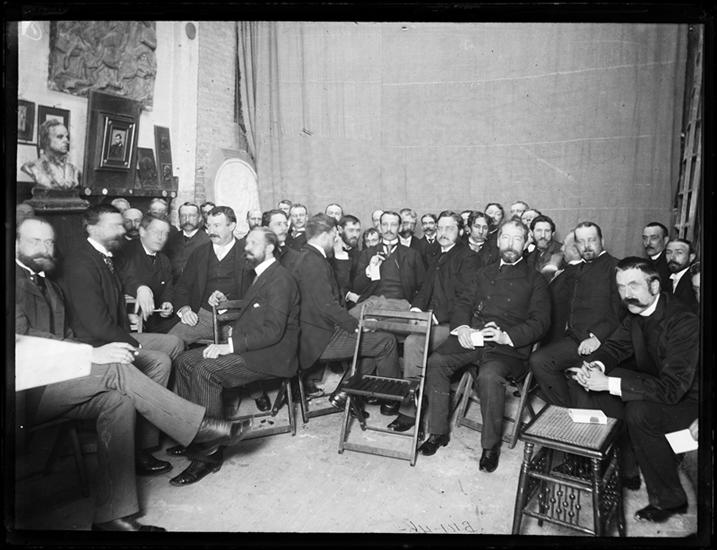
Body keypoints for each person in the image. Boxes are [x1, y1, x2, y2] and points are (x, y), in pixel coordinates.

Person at [15, 217, 250, 531]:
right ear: (15, 243)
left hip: (60, 375)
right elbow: (21, 346)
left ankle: (113, 516)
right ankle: (198, 428)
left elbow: (67, 332)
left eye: (49, 242)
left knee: (119, 402)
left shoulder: (45, 281)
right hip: (27, 389)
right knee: (118, 367)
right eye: (35, 241)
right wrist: (90, 354)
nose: (44, 248)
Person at [566, 257, 698, 523]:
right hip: (655, 381)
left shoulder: (683, 321)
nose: (627, 294)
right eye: (621, 286)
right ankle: (615, 466)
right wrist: (595, 367)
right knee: (585, 381)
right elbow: (614, 348)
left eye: (634, 285)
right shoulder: (637, 311)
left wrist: (608, 383)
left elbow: (672, 389)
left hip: (688, 399)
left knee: (639, 411)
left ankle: (670, 500)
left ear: (655, 286)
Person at [56, 205, 185, 468]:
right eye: (114, 225)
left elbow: (124, 289)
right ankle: (148, 439)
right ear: (91, 228)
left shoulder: (106, 255)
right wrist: (134, 341)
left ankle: (147, 439)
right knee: (159, 361)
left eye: (121, 224)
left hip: (117, 332)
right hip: (96, 342)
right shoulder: (82, 262)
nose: (121, 230)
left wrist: (138, 304)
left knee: (173, 343)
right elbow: (97, 324)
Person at [169, 227, 300, 486]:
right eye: (246, 242)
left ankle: (209, 454)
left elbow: (273, 332)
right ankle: (193, 434)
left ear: (270, 247)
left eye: (253, 243)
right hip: (256, 347)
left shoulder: (280, 279)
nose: (246, 247)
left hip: (273, 355)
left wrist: (229, 345)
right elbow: (254, 314)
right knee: (184, 361)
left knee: (206, 371)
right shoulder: (261, 274)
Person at [419, 219, 550, 472]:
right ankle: (437, 432)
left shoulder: (536, 280)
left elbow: (541, 322)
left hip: (506, 347)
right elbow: (463, 303)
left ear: (526, 244)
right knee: (436, 362)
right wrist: (463, 328)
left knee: (489, 377)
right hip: (474, 338)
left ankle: (490, 447)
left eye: (517, 239)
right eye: (506, 238)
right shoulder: (483, 272)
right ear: (498, 241)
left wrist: (505, 336)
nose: (510, 244)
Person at [291, 214, 400, 411]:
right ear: (324, 235)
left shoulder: (306, 257)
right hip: (319, 340)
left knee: (372, 340)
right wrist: (356, 327)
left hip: (314, 332)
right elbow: (327, 305)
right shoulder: (313, 262)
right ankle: (391, 401)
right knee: (386, 341)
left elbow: (336, 293)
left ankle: (346, 393)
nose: (336, 240)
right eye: (334, 236)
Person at [387, 211, 480, 433]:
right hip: (433, 317)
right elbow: (425, 288)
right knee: (387, 334)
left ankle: (410, 411)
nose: (443, 233)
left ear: (461, 231)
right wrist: (416, 308)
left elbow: (466, 299)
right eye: (440, 228)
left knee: (414, 343)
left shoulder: (468, 258)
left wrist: (436, 316)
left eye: (449, 228)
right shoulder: (437, 253)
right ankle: (393, 395)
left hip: (454, 324)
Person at [529, 221, 623, 407]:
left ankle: (576, 410)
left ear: (602, 241)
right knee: (539, 360)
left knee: (582, 382)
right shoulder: (578, 268)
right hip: (575, 340)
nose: (586, 246)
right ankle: (565, 409)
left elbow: (621, 313)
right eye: (581, 242)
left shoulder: (616, 268)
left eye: (591, 240)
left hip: (605, 343)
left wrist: (597, 338)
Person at [169, 206, 253, 346]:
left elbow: (259, 293)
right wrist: (185, 309)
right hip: (202, 317)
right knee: (169, 343)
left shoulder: (249, 253)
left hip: (238, 319)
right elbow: (182, 287)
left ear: (232, 226)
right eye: (209, 226)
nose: (211, 231)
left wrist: (228, 303)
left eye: (217, 226)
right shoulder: (199, 253)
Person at [351, 210, 426, 323]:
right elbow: (357, 287)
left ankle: (373, 324)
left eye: (393, 225)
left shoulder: (412, 255)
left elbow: (423, 287)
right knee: (346, 322)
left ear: (400, 228)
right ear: (380, 227)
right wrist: (369, 271)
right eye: (385, 224)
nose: (389, 229)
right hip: (372, 303)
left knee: (387, 324)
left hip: (400, 304)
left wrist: (415, 307)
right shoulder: (367, 254)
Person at [118, 214, 176, 333]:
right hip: (126, 323)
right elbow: (120, 277)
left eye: (165, 233)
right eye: (156, 232)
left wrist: (167, 302)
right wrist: (139, 288)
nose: (161, 237)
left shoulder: (164, 260)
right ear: (142, 232)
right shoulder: (124, 252)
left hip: (154, 322)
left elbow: (168, 287)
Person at [21, 119, 80, 190]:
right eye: (60, 137)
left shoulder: (73, 170)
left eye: (67, 137)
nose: (66, 141)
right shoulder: (32, 168)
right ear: (46, 140)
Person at [164, 202, 211, 283]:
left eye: (192, 216)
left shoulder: (208, 241)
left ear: (199, 218)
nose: (187, 220)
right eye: (183, 216)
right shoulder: (171, 240)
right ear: (179, 218)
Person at [332, 214, 362, 307]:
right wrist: (347, 294)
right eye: (351, 230)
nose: (355, 235)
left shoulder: (360, 254)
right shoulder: (329, 252)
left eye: (358, 231)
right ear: (340, 229)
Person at [525, 214, 564, 280]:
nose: (543, 235)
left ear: (553, 234)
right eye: (539, 230)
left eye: (547, 231)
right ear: (531, 233)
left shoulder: (562, 251)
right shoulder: (531, 255)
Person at [664, 238, 698, 312]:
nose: (672, 257)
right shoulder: (665, 279)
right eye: (668, 252)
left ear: (691, 257)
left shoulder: (695, 281)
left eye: (679, 253)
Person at [642, 221, 671, 286]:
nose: (648, 243)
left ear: (665, 240)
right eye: (645, 238)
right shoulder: (643, 263)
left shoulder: (670, 265)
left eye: (653, 238)